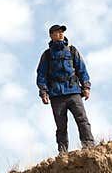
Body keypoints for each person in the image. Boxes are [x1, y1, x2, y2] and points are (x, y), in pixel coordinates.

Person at [36, 24, 95, 153]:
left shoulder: (72, 50)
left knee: (82, 120)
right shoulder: (46, 55)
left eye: (62, 32)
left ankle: (89, 146)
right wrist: (43, 92)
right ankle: (63, 153)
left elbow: (81, 69)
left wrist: (86, 86)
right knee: (61, 126)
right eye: (57, 32)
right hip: (56, 95)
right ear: (51, 35)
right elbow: (41, 75)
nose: (61, 34)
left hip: (74, 91)